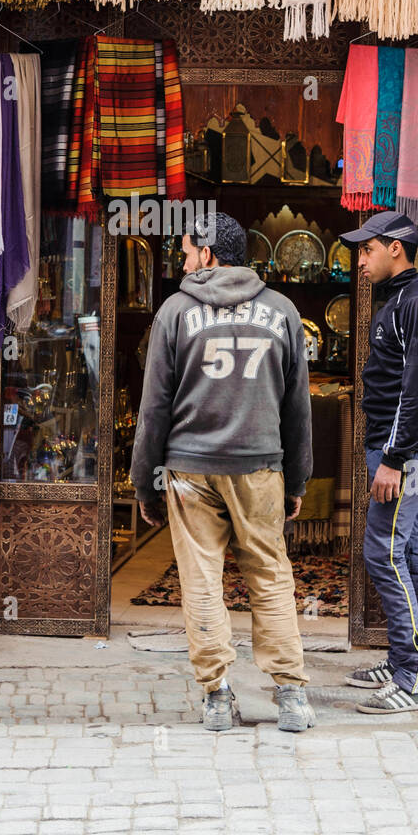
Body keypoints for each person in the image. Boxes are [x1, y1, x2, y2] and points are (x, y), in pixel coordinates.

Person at [129, 211, 315, 733]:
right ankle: (292, 696)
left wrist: (145, 482)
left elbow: (153, 409)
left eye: (187, 253)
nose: (184, 263)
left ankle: (216, 696)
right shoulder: (282, 311)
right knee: (271, 575)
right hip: (259, 467)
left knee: (202, 578)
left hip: (190, 471)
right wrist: (297, 480)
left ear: (208, 254)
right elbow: (296, 407)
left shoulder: (174, 312)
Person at [339, 210, 418, 715]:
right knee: (399, 553)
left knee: (381, 552)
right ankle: (404, 659)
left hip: (405, 450)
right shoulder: (401, 300)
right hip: (395, 448)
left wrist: (393, 459)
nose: (360, 260)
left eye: (367, 250)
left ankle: (412, 677)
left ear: (395, 249)